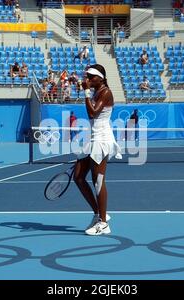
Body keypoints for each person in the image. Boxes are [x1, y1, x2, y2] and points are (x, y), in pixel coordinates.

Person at [74, 64, 122, 236]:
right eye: (86, 76)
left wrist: (86, 92)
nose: (87, 79)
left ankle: (103, 223)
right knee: (78, 176)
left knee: (98, 181)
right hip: (92, 138)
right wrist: (88, 92)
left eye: (90, 76)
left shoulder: (105, 92)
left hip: (102, 140)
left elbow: (93, 113)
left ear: (100, 78)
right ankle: (99, 214)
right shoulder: (96, 91)